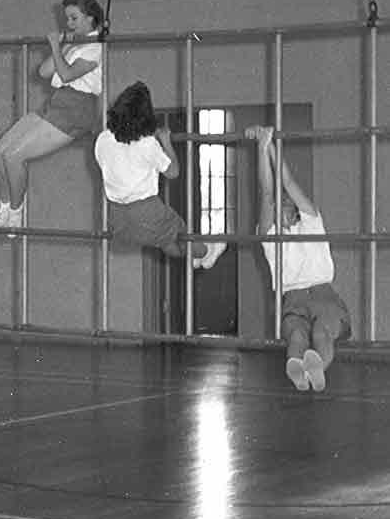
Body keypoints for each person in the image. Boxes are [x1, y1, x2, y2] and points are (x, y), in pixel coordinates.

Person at [247, 124, 350, 392]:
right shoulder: (277, 233)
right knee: (308, 334)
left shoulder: (307, 223)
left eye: (287, 202)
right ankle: (306, 367)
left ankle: (307, 366)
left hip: (308, 295)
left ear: (293, 210)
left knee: (308, 333)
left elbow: (283, 185)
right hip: (305, 295)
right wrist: (263, 147)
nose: (283, 203)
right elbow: (271, 191)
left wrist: (268, 146)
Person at [0, 0, 104, 230]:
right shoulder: (76, 45)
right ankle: (4, 206)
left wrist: (55, 46)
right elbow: (44, 72)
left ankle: (16, 212)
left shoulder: (95, 49)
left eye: (74, 18)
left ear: (90, 19)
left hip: (77, 108)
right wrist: (63, 46)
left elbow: (66, 75)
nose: (69, 24)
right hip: (57, 102)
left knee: (14, 156)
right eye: (68, 19)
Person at [94, 81, 227, 269]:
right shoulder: (147, 144)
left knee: (163, 240)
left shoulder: (103, 139)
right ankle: (206, 253)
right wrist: (166, 142)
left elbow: (105, 164)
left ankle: (194, 257)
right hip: (145, 210)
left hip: (116, 219)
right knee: (180, 233)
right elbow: (173, 172)